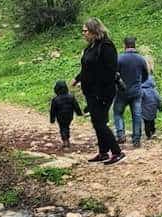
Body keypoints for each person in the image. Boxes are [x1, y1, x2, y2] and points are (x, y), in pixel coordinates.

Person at [71, 18, 124, 164]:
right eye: (83, 31)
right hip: (91, 92)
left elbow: (109, 71)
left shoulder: (106, 46)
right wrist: (77, 79)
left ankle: (117, 152)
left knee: (100, 122)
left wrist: (100, 92)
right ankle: (103, 152)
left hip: (102, 92)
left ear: (94, 31)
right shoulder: (91, 46)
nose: (83, 33)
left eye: (85, 31)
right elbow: (87, 68)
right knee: (97, 121)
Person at [114, 37, 150, 148]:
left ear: (125, 45)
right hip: (136, 92)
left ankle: (121, 135)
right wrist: (139, 83)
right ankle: (136, 140)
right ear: (135, 45)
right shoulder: (141, 59)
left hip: (121, 92)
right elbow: (146, 76)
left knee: (118, 112)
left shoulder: (119, 58)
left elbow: (114, 74)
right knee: (137, 115)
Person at [49, 80, 82, 149]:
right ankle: (67, 139)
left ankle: (65, 140)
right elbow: (76, 106)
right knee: (66, 126)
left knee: (62, 128)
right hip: (69, 116)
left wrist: (52, 119)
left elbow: (52, 110)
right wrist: (79, 113)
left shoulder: (55, 99)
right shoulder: (71, 97)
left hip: (60, 116)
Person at [141, 68, 162, 138]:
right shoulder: (154, 91)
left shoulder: (142, 91)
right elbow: (158, 99)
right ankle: (153, 131)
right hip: (153, 109)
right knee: (152, 122)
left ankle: (148, 135)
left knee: (146, 123)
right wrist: (160, 108)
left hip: (144, 110)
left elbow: (138, 100)